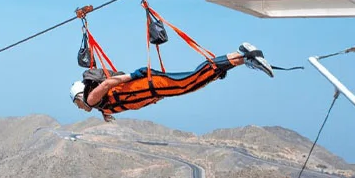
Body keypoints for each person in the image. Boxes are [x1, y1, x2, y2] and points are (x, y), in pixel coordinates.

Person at [69, 42, 274, 121]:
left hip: (151, 85)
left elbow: (106, 84)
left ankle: (242, 55)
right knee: (192, 83)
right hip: (153, 89)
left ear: (80, 96)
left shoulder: (92, 100)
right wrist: (106, 115)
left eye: (77, 103)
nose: (80, 107)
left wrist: (133, 76)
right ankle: (239, 60)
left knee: (191, 81)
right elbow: (114, 100)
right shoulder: (101, 106)